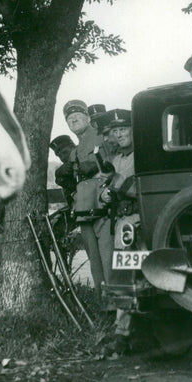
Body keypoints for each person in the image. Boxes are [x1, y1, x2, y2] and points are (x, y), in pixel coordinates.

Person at [96, 108, 137, 358]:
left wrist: (115, 188)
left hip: (138, 219)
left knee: (127, 273)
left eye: (123, 129)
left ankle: (123, 334)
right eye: (115, 131)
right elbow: (108, 184)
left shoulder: (140, 154)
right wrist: (104, 193)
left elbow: (132, 183)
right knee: (122, 274)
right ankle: (123, 332)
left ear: (133, 129)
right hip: (122, 220)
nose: (119, 134)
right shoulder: (118, 158)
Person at [62, 99, 108, 296]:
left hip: (102, 206)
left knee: (108, 256)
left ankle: (119, 308)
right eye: (69, 118)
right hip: (83, 209)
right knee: (94, 260)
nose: (73, 120)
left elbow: (110, 168)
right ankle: (104, 304)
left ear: (88, 117)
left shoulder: (101, 138)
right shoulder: (74, 152)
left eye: (77, 116)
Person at [50, 134, 77, 207]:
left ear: (74, 147)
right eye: (59, 156)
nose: (63, 158)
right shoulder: (63, 172)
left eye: (65, 152)